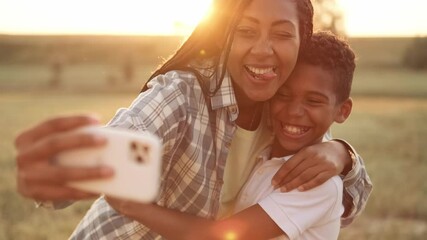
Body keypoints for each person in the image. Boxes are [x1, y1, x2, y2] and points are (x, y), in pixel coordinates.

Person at [14, 0, 372, 239]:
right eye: (246, 31)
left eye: (281, 34)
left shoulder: (281, 106)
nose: (263, 50)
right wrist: (68, 166)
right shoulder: (183, 93)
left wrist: (343, 155)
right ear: (224, 34)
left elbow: (349, 198)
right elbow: (134, 130)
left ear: (301, 40)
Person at [104, 31, 369, 240]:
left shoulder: (317, 183)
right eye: (283, 95)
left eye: (313, 101)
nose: (293, 112)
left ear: (342, 111)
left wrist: (135, 207)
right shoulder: (264, 148)